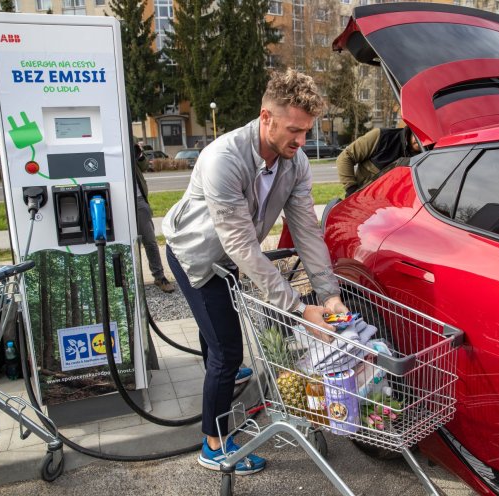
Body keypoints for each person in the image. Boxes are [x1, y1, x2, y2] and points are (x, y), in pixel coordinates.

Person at [162, 69, 348, 475]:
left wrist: (328, 293)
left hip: (230, 256)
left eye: (306, 131)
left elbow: (306, 230)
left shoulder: (293, 162)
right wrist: (300, 309)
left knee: (219, 343)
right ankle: (213, 445)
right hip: (195, 257)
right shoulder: (222, 159)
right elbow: (241, 245)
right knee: (228, 350)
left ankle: (219, 366)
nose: (301, 142)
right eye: (294, 130)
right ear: (266, 118)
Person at [133, 144, 174, 293]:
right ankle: (129, 280)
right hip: (117, 203)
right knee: (127, 244)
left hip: (138, 200)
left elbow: (143, 166)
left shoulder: (129, 139)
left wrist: (139, 153)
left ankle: (159, 276)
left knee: (149, 240)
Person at [336, 126, 422, 197]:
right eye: (418, 133)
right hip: (363, 202)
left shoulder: (428, 155)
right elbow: (345, 157)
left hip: (395, 210)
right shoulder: (381, 136)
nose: (420, 139)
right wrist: (352, 190)